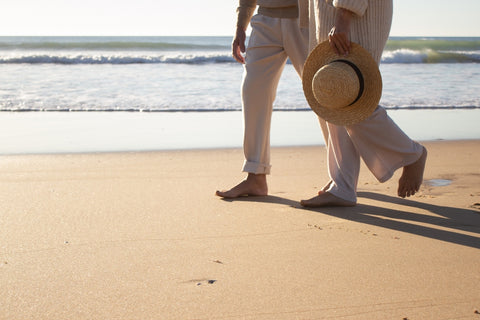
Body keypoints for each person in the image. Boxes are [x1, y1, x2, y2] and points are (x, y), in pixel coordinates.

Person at [297, 0, 428, 207]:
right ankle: (343, 186)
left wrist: (344, 16)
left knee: (355, 96)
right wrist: (309, 17)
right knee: (333, 96)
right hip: (327, 11)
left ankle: (411, 153)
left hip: (354, 14)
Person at [216, 0, 317, 198]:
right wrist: (240, 26)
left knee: (322, 93)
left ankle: (342, 177)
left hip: (305, 19)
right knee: (253, 92)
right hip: (264, 20)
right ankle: (255, 177)